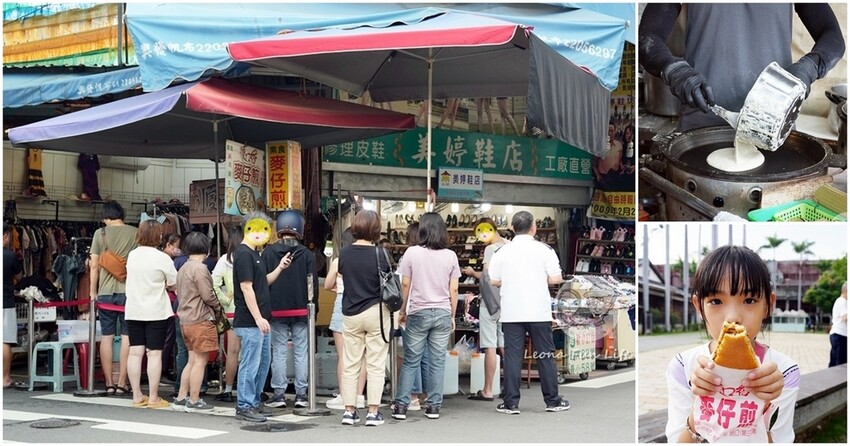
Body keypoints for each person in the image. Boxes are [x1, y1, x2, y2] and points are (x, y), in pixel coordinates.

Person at [665, 245, 799, 443]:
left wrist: (766, 404)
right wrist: (700, 406)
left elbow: (780, 440)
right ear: (699, 307)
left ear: (768, 305)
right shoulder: (683, 367)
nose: (732, 318)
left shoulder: (784, 372)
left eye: (750, 299)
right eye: (716, 301)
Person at [639, 4, 845, 132]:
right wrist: (674, 70)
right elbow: (647, 39)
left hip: (773, 128)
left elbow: (832, 36)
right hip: (702, 129)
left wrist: (810, 66)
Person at [488, 211, 569, 414]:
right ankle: (552, 401)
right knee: (545, 356)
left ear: (513, 229)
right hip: (538, 312)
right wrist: (539, 279)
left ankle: (511, 403)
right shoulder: (545, 250)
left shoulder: (502, 252)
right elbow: (557, 278)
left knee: (513, 356)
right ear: (534, 228)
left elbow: (494, 281)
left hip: (512, 313)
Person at [390, 212, 460, 421]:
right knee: (437, 361)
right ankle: (433, 406)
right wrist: (453, 316)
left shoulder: (412, 252)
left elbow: (405, 284)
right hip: (442, 312)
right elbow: (454, 290)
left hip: (418, 312)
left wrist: (402, 311)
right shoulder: (450, 256)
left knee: (412, 359)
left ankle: (402, 405)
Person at [232, 212, 291, 422]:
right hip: (250, 321)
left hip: (261, 320)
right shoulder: (244, 254)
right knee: (251, 363)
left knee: (262, 362)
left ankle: (254, 402)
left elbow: (262, 282)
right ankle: (245, 405)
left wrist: (280, 268)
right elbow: (247, 288)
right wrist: (257, 318)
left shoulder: (255, 253)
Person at [337, 210, 390, 427]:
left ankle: (349, 411)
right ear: (376, 230)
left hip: (351, 312)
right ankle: (373, 412)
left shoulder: (345, 253)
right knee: (375, 363)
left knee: (351, 363)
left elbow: (342, 276)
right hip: (376, 312)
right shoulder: (381, 254)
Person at [263, 210, 318, 409]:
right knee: (301, 352)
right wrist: (314, 308)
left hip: (276, 310)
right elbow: (312, 284)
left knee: (278, 351)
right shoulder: (307, 254)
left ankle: (278, 395)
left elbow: (264, 282)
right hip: (302, 310)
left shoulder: (268, 253)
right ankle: (302, 395)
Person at [125, 220, 178, 409]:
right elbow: (174, 282)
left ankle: (137, 395)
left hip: (133, 309)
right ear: (159, 236)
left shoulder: (132, 255)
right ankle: (154, 397)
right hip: (156, 310)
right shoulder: (162, 258)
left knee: (135, 352)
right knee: (154, 353)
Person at [89, 201, 137, 396]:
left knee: (107, 337)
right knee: (127, 337)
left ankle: (109, 382)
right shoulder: (135, 232)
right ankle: (122, 382)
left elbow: (94, 266)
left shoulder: (99, 234)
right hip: (128, 291)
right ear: (121, 214)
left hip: (106, 292)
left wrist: (93, 292)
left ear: (105, 217)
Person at [172, 232, 221, 413]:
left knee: (191, 360)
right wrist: (217, 307)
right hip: (200, 319)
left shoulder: (183, 267)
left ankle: (181, 397)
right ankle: (194, 399)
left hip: (185, 319)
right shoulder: (200, 269)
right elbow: (208, 295)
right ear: (206, 249)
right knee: (200, 361)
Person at [463, 217, 507, 402]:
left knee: (490, 345)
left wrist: (473, 273)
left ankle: (488, 389)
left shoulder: (490, 249)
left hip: (491, 302)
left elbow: (488, 276)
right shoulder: (510, 245)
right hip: (507, 301)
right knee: (505, 345)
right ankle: (510, 386)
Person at [323, 228, 367, 411]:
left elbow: (326, 285)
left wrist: (336, 287)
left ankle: (344, 397)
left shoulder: (339, 261)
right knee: (362, 355)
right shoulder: (366, 260)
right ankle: (359, 397)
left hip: (343, 303)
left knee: (344, 356)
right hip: (363, 304)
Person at [212, 226, 244, 403]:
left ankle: (229, 389)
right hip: (251, 311)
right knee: (250, 353)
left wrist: (225, 300)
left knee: (232, 352)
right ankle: (251, 389)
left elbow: (213, 284)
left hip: (232, 311)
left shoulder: (225, 260)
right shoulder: (253, 256)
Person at [3, 223, 23, 389]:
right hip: (5, 302)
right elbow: (19, 275)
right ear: (5, 237)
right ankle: (5, 378)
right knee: (5, 341)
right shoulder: (10, 256)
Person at [160, 234, 182, 384]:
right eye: (176, 245)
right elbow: (171, 283)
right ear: (169, 245)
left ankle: (164, 369)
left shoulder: (168, 259)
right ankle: (162, 371)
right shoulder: (165, 259)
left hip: (166, 301)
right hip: (168, 301)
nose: (178, 249)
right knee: (167, 339)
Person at [828, 282, 847, 367]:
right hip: (839, 335)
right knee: (839, 363)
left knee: (837, 361)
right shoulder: (841, 301)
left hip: (841, 335)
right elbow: (845, 317)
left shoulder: (844, 302)